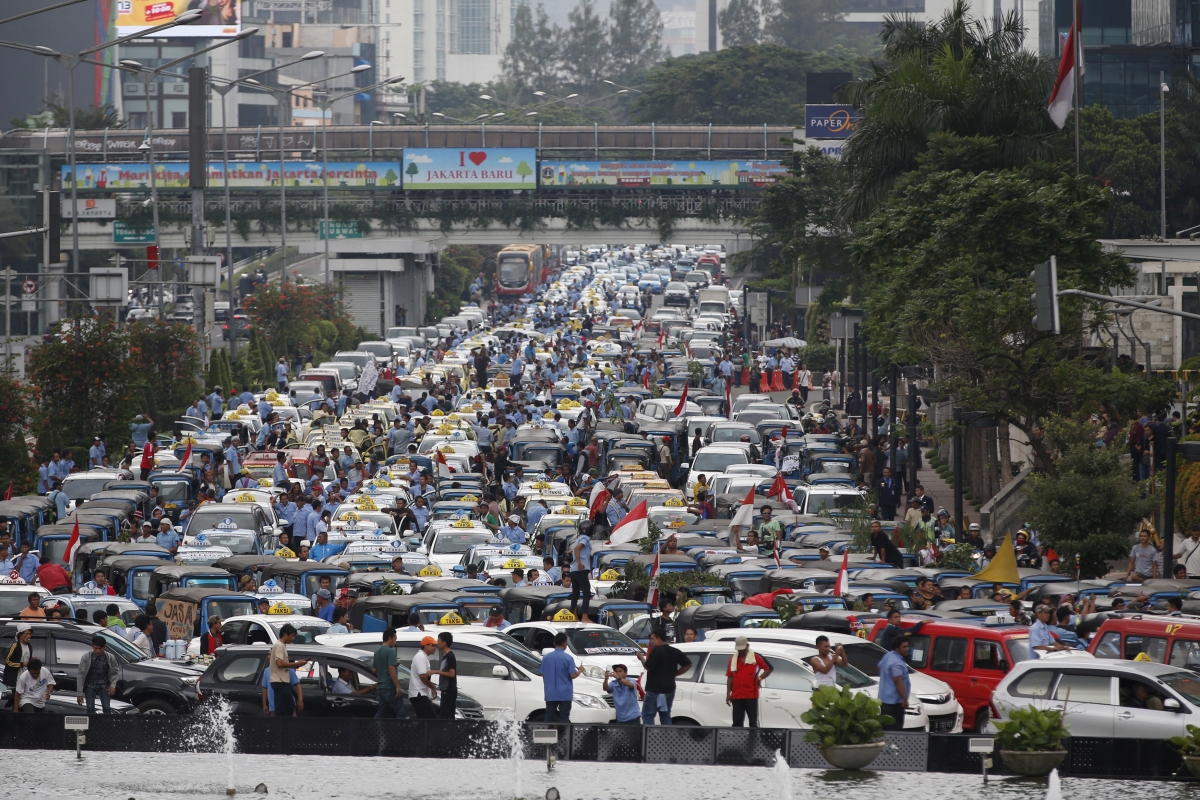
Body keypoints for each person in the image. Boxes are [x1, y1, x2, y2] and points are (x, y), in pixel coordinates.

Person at [636, 628, 692, 725]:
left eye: (652, 639)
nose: (651, 642)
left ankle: (649, 737)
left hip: (654, 689)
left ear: (658, 638)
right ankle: (667, 737)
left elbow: (648, 667)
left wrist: (641, 658)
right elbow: (688, 664)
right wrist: (676, 673)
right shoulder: (675, 651)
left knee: (647, 714)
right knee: (665, 714)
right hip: (669, 689)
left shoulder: (656, 651)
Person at [725, 635, 772, 728]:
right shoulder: (733, 659)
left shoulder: (756, 658)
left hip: (751, 695)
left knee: (753, 722)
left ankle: (753, 740)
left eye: (742, 648)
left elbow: (768, 669)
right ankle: (738, 740)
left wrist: (760, 678)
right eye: (739, 649)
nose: (741, 651)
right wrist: (728, 693)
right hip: (736, 695)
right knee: (737, 722)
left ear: (747, 646)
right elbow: (730, 676)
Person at [541, 631, 581, 723]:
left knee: (549, 717)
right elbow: (573, 675)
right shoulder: (568, 658)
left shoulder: (546, 657)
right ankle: (564, 736)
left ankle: (548, 735)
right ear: (565, 644)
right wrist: (580, 670)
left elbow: (543, 674)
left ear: (554, 643)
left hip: (550, 693)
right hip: (565, 694)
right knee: (564, 717)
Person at [269, 624, 307, 718]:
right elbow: (280, 664)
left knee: (289, 707)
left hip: (284, 681)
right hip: (280, 681)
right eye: (292, 636)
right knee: (282, 711)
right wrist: (295, 664)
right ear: (285, 634)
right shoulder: (279, 645)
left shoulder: (282, 645)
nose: (293, 638)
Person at [77, 635, 120, 714]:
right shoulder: (86, 657)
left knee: (106, 708)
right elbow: (81, 675)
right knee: (90, 708)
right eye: (95, 648)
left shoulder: (110, 658)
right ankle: (92, 725)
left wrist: (112, 686)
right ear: (92, 646)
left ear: (104, 647)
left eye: (100, 648)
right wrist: (79, 693)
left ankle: (106, 725)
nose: (97, 651)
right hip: (90, 684)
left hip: (104, 685)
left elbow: (115, 673)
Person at [877, 635, 911, 731]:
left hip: (884, 699)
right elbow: (897, 680)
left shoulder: (888, 655)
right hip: (894, 703)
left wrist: (886, 680)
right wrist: (904, 699)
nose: (907, 649)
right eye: (904, 647)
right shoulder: (897, 663)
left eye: (907, 646)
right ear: (897, 648)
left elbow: (880, 667)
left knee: (886, 727)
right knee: (894, 730)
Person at [372, 627, 405, 718]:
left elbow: (374, 670)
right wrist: (397, 686)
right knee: (400, 712)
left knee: (381, 712)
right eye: (395, 639)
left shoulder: (377, 652)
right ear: (390, 638)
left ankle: (374, 728)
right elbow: (391, 669)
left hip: (381, 687)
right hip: (389, 687)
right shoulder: (391, 651)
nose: (395, 642)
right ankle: (402, 731)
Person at [569, 520, 594, 624]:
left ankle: (574, 615)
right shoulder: (585, 539)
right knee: (587, 592)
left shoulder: (578, 538)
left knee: (575, 593)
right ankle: (584, 616)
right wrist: (579, 562)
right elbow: (577, 549)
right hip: (580, 569)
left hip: (573, 570)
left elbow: (575, 548)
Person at [409, 635, 439, 719]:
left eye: (435, 645)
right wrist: (433, 688)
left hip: (421, 693)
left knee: (424, 721)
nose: (435, 647)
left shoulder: (423, 657)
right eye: (432, 645)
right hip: (419, 693)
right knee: (432, 720)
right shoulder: (421, 657)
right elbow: (422, 676)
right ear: (426, 646)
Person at [431, 631, 458, 718]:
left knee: (447, 714)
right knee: (443, 713)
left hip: (449, 689)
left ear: (444, 643)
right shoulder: (445, 656)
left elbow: (452, 674)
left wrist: (437, 671)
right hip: (445, 689)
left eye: (438, 641)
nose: (437, 643)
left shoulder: (450, 656)